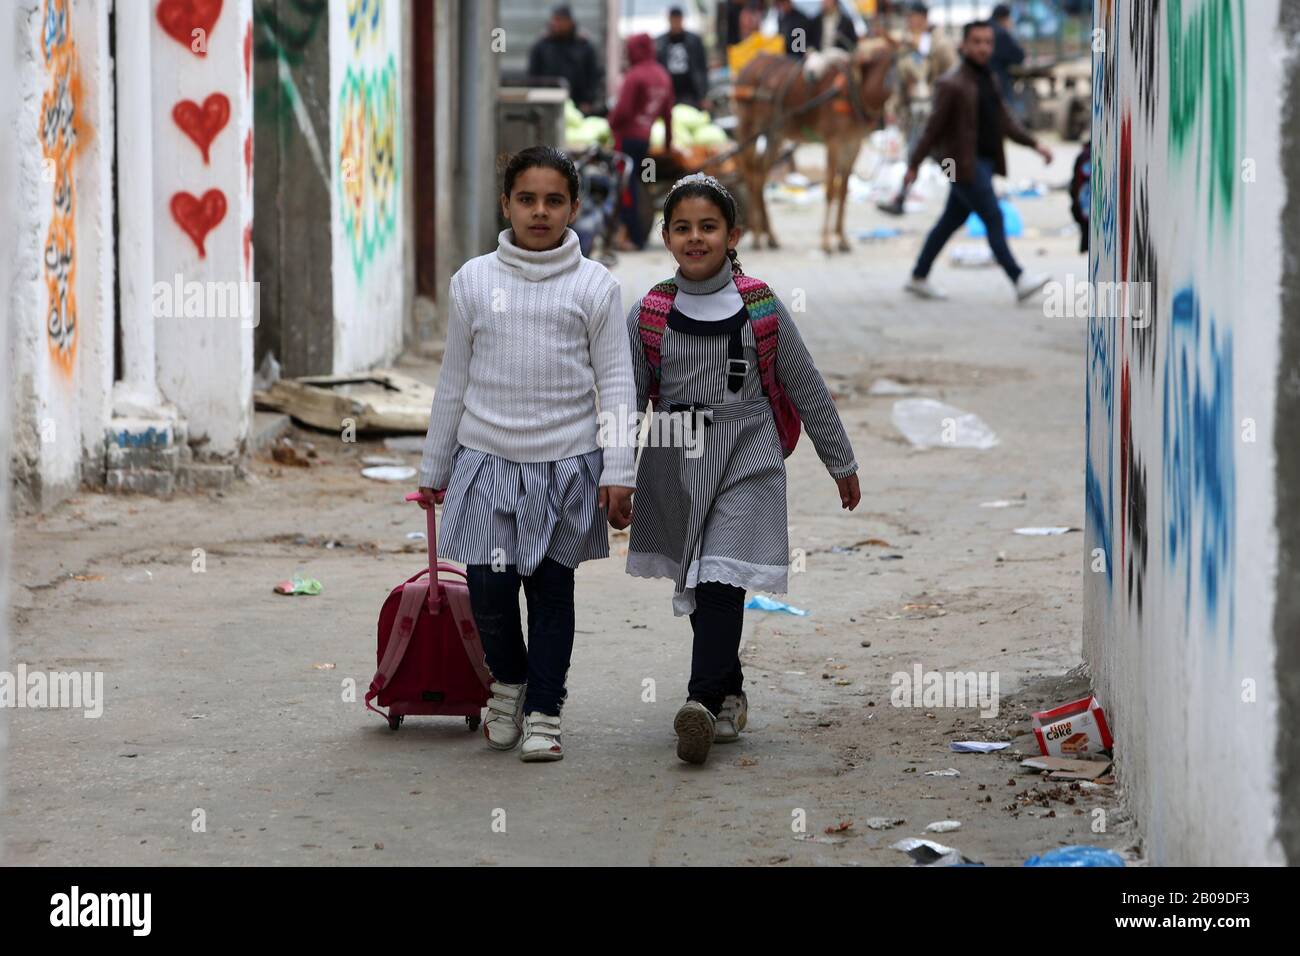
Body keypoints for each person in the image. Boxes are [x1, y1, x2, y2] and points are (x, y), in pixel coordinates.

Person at [624, 173, 861, 765]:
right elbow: (626, 398)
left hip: (747, 454)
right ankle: (729, 690)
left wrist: (840, 459)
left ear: (733, 234)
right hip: (674, 460)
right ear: (666, 236)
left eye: (708, 227)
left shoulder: (761, 306)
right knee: (701, 585)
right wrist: (615, 474)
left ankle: (700, 703)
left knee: (722, 574)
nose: (695, 238)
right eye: (683, 228)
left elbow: (803, 382)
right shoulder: (650, 312)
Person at [416, 146, 637, 762]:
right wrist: (435, 469)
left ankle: (544, 709)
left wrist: (620, 470)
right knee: (488, 590)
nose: (540, 212)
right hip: (485, 461)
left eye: (554, 200)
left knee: (551, 592)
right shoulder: (473, 281)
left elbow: (617, 382)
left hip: (566, 466)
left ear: (573, 206)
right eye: (527, 199)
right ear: (505, 203)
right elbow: (453, 381)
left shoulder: (595, 287)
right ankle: (507, 685)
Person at [901, 20, 1052, 302]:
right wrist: (913, 164)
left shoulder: (989, 78)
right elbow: (932, 130)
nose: (983, 48)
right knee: (993, 217)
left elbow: (1006, 120)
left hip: (982, 163)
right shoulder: (951, 84)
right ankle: (1018, 278)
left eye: (988, 42)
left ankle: (918, 276)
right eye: (977, 42)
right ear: (964, 45)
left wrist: (1036, 145)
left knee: (949, 222)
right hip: (962, 166)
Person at [878, 1, 957, 215]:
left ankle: (963, 195)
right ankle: (901, 197)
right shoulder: (906, 46)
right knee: (915, 155)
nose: (909, 21)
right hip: (915, 113)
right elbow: (900, 83)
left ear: (922, 18)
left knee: (946, 158)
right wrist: (894, 106)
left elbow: (952, 76)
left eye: (912, 16)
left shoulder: (939, 44)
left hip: (937, 111)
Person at [608, 33, 675, 251]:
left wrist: (612, 124)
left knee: (626, 189)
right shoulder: (662, 75)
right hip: (645, 140)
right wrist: (667, 144)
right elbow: (667, 114)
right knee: (639, 185)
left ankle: (634, 238)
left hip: (626, 139)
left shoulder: (635, 75)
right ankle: (635, 234)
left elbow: (623, 111)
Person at [527, 5, 603, 115]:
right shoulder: (542, 46)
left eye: (559, 20)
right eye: (554, 20)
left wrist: (589, 101)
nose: (555, 24)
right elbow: (533, 76)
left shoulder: (584, 46)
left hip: (579, 106)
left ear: (569, 22)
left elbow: (593, 75)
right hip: (548, 105)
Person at [657, 6, 709, 109]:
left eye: (678, 20)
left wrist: (703, 94)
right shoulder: (661, 42)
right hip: (670, 90)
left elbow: (702, 67)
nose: (676, 23)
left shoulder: (694, 40)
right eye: (673, 20)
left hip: (690, 91)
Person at [989, 3, 1026, 121]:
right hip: (998, 78)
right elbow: (1019, 55)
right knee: (1006, 111)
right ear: (1005, 17)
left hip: (980, 77)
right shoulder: (1001, 33)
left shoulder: (984, 28)